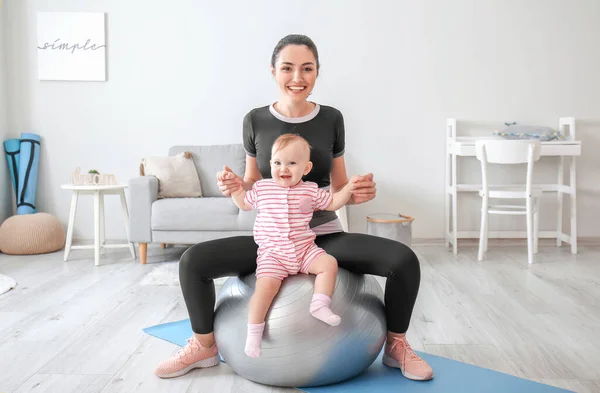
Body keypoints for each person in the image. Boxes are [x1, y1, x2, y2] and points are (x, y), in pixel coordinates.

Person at [154, 33, 434, 381]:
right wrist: (236, 187)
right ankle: (204, 345)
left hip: (323, 236)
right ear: (273, 72)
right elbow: (254, 182)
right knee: (193, 261)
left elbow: (338, 183)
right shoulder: (255, 119)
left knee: (403, 261)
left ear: (317, 73)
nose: (297, 77)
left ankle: (396, 346)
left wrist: (357, 192)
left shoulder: (331, 118)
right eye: (288, 68)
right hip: (271, 240)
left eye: (307, 68)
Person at [227, 133, 358, 357]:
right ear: (270, 165)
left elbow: (333, 202)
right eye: (277, 163)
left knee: (329, 264)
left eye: (291, 163)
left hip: (303, 249)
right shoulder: (262, 188)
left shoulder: (310, 190)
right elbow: (243, 203)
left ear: (306, 168)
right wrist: (233, 187)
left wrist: (348, 188)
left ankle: (319, 305)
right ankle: (254, 333)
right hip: (273, 253)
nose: (283, 168)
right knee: (264, 289)